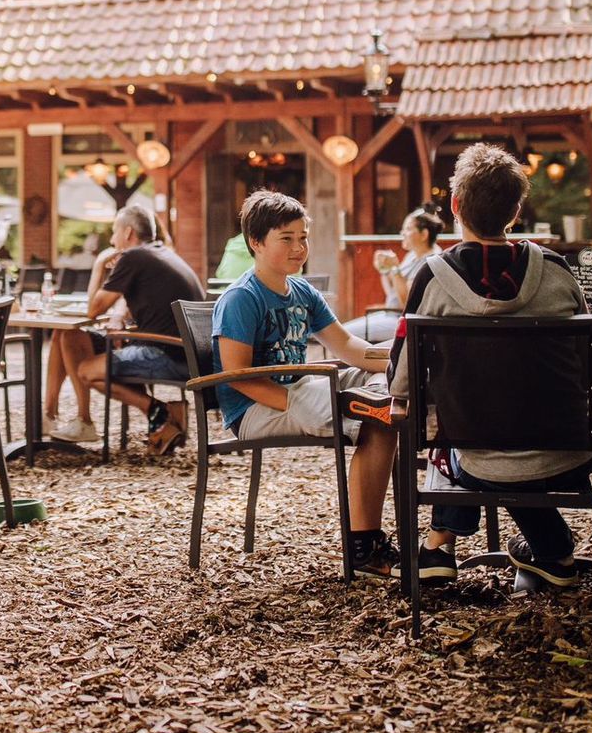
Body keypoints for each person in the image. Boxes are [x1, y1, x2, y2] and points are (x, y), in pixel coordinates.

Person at [398, 144, 592, 592]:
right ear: (517, 209)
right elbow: (583, 364)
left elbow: (403, 379)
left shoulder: (432, 276)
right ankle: (552, 551)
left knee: (458, 437)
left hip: (476, 453)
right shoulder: (558, 270)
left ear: (455, 205)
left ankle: (437, 546)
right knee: (502, 428)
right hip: (563, 449)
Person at [212, 190, 399, 577]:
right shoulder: (241, 299)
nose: (300, 248)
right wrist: (293, 402)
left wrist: (396, 359)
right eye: (287, 239)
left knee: (380, 392)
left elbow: (348, 346)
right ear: (256, 242)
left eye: (303, 237)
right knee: (370, 412)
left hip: (302, 389)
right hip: (257, 408)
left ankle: (365, 542)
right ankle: (364, 547)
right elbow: (236, 375)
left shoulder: (302, 291)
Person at [46, 206, 204, 452]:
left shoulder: (134, 257)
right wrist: (119, 315)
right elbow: (141, 300)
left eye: (113, 232)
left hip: (168, 354)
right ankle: (58, 418)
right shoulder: (159, 254)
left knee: (87, 371)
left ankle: (158, 411)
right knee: (68, 336)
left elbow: (93, 310)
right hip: (185, 351)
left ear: (128, 232)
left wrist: (99, 265)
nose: (111, 240)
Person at [373, 207, 444, 309]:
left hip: (403, 319)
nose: (402, 233)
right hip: (391, 312)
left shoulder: (430, 261)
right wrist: (384, 268)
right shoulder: (412, 255)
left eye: (408, 229)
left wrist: (395, 268)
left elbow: (408, 302)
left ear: (424, 234)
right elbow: (393, 290)